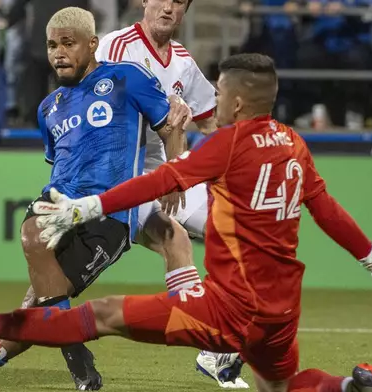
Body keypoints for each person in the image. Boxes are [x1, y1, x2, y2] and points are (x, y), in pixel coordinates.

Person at [0, 53, 372, 392]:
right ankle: (355, 386)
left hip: (231, 307)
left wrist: (88, 207)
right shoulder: (294, 145)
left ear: (239, 101)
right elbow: (327, 210)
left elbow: (160, 183)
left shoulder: (228, 143)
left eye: (220, 94)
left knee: (103, 316)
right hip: (281, 308)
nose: (213, 103)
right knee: (284, 386)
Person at [0, 7, 190, 391]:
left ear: (92, 44)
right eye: (52, 45)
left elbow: (170, 124)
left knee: (38, 310)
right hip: (58, 205)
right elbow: (62, 166)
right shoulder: (48, 107)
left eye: (68, 44)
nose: (59, 53)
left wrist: (174, 176)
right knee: (34, 240)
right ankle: (65, 360)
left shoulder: (125, 78)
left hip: (110, 214)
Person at [95, 1, 246, 386]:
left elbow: (211, 120)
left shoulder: (182, 61)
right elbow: (94, 108)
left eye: (180, 1)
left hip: (168, 170)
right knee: (173, 240)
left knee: (243, 233)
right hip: (120, 174)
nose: (169, 7)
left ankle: (214, 349)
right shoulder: (115, 47)